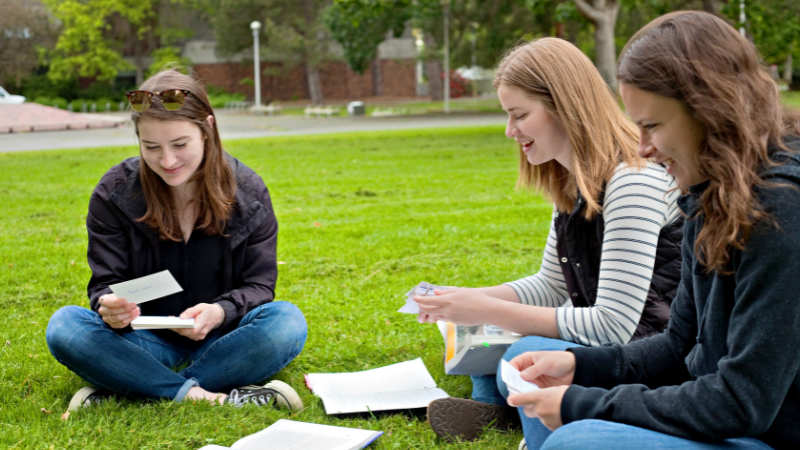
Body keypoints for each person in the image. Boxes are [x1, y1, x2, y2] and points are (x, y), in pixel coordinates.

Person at [506, 11, 800, 450]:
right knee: (538, 378)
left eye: (653, 126)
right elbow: (679, 345)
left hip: (767, 431)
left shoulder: (781, 209)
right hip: (726, 414)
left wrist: (585, 404)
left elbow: (742, 401)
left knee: (578, 439)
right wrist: (580, 368)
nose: (642, 147)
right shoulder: (709, 191)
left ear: (710, 112)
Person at [419, 37, 684, 442]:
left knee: (517, 351)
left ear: (564, 106)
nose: (510, 131)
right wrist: (465, 300)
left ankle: (525, 415)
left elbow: (613, 327)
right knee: (479, 333)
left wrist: (488, 308)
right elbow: (551, 285)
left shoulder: (633, 180)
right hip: (609, 343)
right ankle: (506, 410)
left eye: (519, 115)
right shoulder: (573, 179)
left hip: (640, 356)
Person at [46, 69, 307, 412]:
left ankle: (132, 387)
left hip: (224, 339)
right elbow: (105, 287)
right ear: (137, 138)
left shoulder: (249, 193)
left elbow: (259, 285)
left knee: (287, 321)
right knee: (65, 326)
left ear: (208, 129)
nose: (167, 161)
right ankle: (203, 395)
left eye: (180, 144)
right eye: (151, 147)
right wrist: (110, 308)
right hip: (141, 341)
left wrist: (220, 311)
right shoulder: (113, 194)